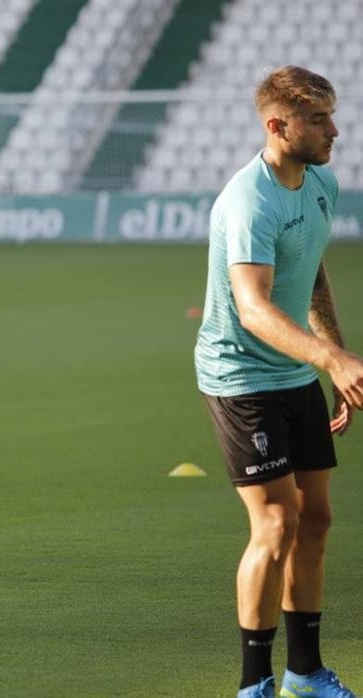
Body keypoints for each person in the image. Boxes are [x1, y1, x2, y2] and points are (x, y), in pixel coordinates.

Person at [195, 66, 362, 698]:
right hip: (239, 376)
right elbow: (254, 309)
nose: (335, 131)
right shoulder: (248, 201)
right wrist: (332, 362)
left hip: (295, 368)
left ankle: (305, 674)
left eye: (331, 115)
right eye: (319, 120)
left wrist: (335, 355)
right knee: (275, 524)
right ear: (277, 126)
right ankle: (253, 684)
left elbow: (312, 274)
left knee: (316, 518)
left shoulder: (322, 183)